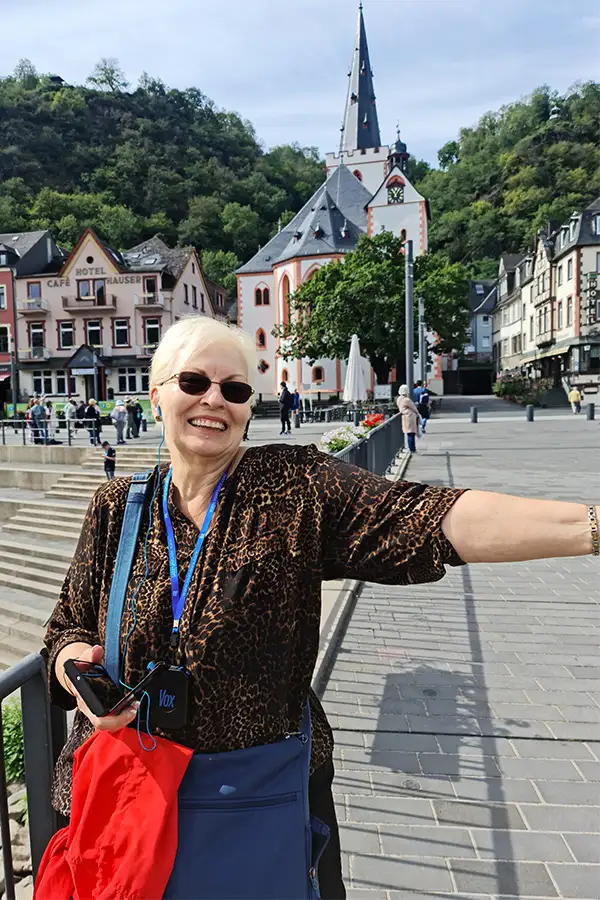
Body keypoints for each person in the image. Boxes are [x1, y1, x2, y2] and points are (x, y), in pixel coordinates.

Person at [44, 316, 600, 900]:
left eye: (234, 390)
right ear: (157, 394)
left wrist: (589, 527)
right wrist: (76, 665)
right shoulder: (116, 506)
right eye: (193, 382)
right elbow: (64, 630)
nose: (215, 400)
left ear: (248, 407)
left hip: (261, 801)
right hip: (123, 801)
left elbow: (428, 519)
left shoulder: (292, 487)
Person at [396, 384, 421, 453]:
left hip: (404, 416)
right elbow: (414, 408)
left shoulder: (399, 399)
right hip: (410, 417)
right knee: (411, 433)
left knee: (409, 433)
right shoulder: (407, 400)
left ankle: (411, 448)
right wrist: (417, 413)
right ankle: (412, 448)